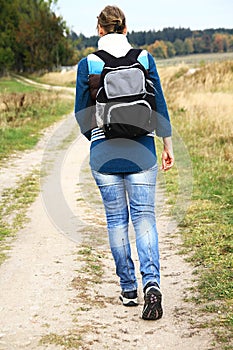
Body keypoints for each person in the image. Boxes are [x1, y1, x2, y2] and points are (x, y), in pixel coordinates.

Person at [74, 5, 174, 320]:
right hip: (142, 149)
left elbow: (82, 114)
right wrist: (166, 143)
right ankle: (152, 286)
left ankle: (129, 290)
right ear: (125, 28)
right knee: (145, 218)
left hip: (105, 153)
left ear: (100, 29)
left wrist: (98, 138)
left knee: (117, 221)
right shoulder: (144, 57)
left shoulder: (88, 63)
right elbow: (158, 104)